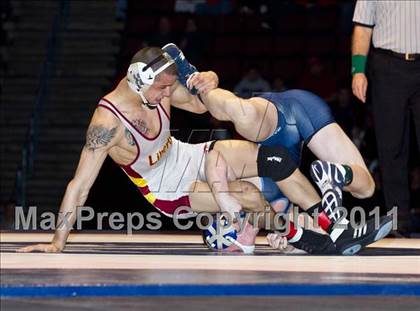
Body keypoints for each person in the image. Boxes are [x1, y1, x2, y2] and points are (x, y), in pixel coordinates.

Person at [17, 47, 336, 255]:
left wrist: (210, 79)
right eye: (163, 88)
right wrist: (57, 242)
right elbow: (80, 185)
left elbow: (200, 105)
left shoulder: (158, 87)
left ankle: (329, 222)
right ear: (138, 80)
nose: (168, 94)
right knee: (250, 195)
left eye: (170, 87)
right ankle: (300, 238)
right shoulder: (108, 122)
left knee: (274, 158)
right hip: (168, 188)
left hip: (186, 154)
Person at [162, 43, 393, 255]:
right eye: (234, 230)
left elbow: (215, 159)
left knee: (241, 113)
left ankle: (190, 75)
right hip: (307, 114)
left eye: (226, 222)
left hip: (273, 120)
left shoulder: (233, 192)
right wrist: (291, 243)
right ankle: (338, 175)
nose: (236, 224)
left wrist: (208, 79)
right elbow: (316, 225)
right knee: (366, 188)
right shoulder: (271, 216)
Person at [351, 0, 420, 234]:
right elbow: (362, 26)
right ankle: (398, 218)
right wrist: (358, 70)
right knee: (391, 146)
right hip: (388, 65)